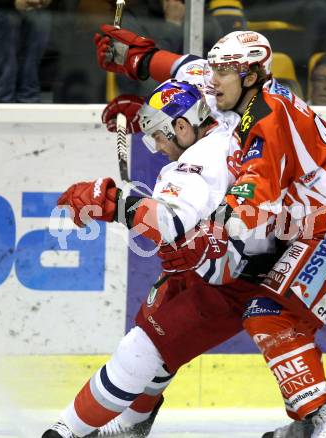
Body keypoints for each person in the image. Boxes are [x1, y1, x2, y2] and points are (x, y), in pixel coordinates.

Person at [113, 29, 326, 436]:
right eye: (214, 69)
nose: (212, 80)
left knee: (271, 313)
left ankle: (325, 420)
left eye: (224, 71)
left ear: (249, 76)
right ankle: (310, 419)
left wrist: (204, 235)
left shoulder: (266, 120)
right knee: (279, 316)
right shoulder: (241, 93)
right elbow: (188, 69)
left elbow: (250, 200)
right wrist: (142, 60)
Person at [42, 77, 278, 437]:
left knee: (140, 350)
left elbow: (168, 221)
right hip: (227, 261)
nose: (155, 146)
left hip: (229, 282)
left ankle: (63, 433)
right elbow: (193, 70)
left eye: (158, 135)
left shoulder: (197, 164)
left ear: (182, 127)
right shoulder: (221, 112)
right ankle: (132, 426)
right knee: (155, 328)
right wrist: (145, 100)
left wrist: (110, 203)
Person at [0, 0, 52, 102]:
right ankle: (3, 102)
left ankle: (29, 100)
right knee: (6, 68)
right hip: (3, 8)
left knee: (31, 67)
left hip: (39, 8)